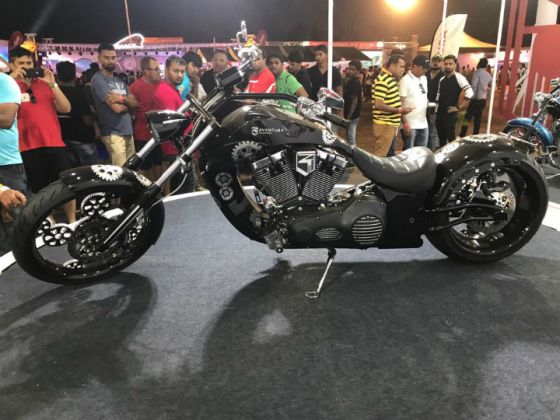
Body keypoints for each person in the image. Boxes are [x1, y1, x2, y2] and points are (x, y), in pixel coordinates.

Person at [8, 46, 75, 223]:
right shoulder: (8, 85)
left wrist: (53, 84)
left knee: (67, 185)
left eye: (29, 63)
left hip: (54, 142)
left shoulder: (44, 83)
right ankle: (51, 225)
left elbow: (66, 108)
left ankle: (72, 222)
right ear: (12, 65)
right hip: (27, 146)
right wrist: (10, 79)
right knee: (39, 189)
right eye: (21, 63)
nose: (26, 66)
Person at [153, 56, 196, 195]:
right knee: (184, 188)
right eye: (175, 71)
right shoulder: (166, 92)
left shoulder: (171, 88)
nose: (179, 75)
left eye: (182, 71)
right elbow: (172, 127)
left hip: (179, 148)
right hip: (176, 150)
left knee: (185, 186)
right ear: (166, 71)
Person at [91, 43, 139, 166]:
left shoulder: (119, 80)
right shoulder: (98, 80)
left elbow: (136, 103)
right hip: (113, 133)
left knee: (131, 169)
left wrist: (121, 98)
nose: (111, 61)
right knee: (121, 172)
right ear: (99, 58)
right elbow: (117, 108)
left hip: (127, 131)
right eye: (106, 58)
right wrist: (129, 103)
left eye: (113, 57)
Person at [0, 71, 28, 254]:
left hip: (6, 163)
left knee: (21, 222)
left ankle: (32, 261)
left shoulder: (4, 81)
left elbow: (6, 119)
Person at [56, 61, 98, 166]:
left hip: (60, 138)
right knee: (89, 171)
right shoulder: (80, 93)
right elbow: (87, 120)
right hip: (82, 137)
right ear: (74, 76)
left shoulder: (52, 94)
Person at [130, 56, 163, 181]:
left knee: (159, 163)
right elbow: (131, 110)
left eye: (158, 69)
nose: (158, 71)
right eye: (156, 69)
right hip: (143, 134)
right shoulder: (135, 87)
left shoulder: (162, 84)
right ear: (146, 71)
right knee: (144, 166)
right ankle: (145, 188)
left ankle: (158, 188)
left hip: (160, 133)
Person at [371, 54, 411, 157]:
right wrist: (399, 110)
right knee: (381, 156)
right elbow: (378, 104)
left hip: (389, 124)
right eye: (401, 67)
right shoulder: (383, 80)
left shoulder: (390, 78)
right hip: (385, 124)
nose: (403, 70)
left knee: (388, 155)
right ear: (392, 65)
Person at [435, 55, 474, 146]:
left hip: (450, 113)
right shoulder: (442, 79)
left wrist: (458, 107)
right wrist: (436, 110)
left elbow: (470, 92)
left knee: (451, 138)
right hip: (440, 112)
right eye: (446, 64)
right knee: (441, 137)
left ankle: (452, 154)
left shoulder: (459, 77)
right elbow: (438, 95)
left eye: (450, 64)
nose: (448, 66)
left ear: (455, 65)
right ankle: (443, 154)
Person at [399, 55, 429, 149]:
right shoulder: (405, 80)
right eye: (423, 68)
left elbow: (423, 95)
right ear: (415, 66)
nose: (425, 70)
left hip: (423, 122)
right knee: (409, 151)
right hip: (410, 124)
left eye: (426, 68)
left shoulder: (424, 78)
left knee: (422, 151)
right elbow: (400, 104)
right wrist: (405, 123)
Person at [459, 58, 493, 137]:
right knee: (478, 118)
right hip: (483, 99)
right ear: (486, 65)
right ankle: (476, 135)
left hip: (476, 99)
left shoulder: (476, 73)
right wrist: (487, 89)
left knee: (467, 118)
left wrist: (470, 96)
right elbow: (492, 86)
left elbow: (474, 85)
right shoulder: (488, 74)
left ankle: (462, 135)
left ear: (479, 63)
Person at [343, 60, 363, 146]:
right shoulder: (351, 80)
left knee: (351, 138)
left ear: (358, 71)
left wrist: (348, 117)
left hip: (352, 115)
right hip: (350, 113)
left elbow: (354, 102)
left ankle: (353, 153)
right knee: (349, 136)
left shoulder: (355, 82)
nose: (349, 71)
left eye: (353, 69)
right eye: (349, 69)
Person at [427, 54, 444, 150]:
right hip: (423, 106)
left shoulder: (444, 76)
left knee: (433, 131)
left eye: (438, 61)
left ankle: (432, 150)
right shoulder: (425, 74)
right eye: (434, 61)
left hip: (436, 107)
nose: (436, 63)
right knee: (425, 130)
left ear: (441, 63)